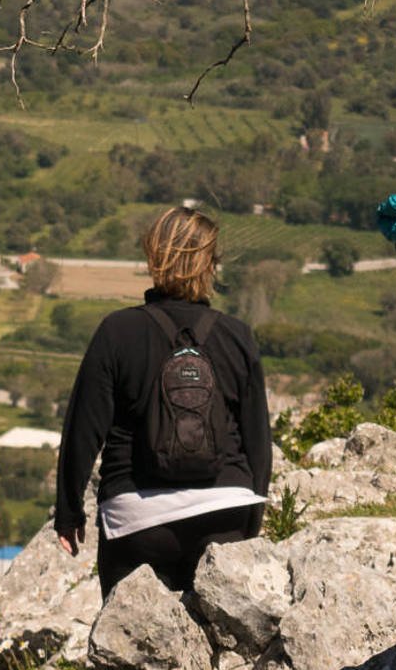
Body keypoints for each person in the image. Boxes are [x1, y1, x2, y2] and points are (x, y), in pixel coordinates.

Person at [53, 207, 274, 596]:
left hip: (137, 521)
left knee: (130, 633)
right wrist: (250, 517)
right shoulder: (237, 336)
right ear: (211, 264)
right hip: (226, 512)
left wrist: (69, 512)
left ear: (153, 258)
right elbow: (258, 441)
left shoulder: (117, 331)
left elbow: (83, 430)